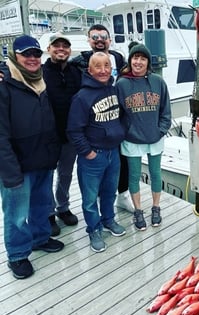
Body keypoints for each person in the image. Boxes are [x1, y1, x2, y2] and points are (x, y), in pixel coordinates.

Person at [0, 35, 64, 279]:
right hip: (17, 164)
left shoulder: (42, 80)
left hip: (43, 159)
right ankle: (17, 255)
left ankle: (39, 238)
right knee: (16, 214)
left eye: (36, 54)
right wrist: (9, 170)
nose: (32, 58)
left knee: (41, 205)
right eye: (26, 53)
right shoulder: (4, 83)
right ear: (15, 56)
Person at [67, 52, 126, 253]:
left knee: (110, 192)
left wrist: (121, 135)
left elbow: (122, 117)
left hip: (113, 153)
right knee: (90, 198)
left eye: (106, 66)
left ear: (112, 68)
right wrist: (88, 152)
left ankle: (109, 219)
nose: (103, 70)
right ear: (89, 70)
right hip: (93, 156)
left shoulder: (114, 90)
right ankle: (94, 228)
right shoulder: (81, 97)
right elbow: (74, 130)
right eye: (98, 66)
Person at [71, 24, 134, 213]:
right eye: (95, 37)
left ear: (109, 39)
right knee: (92, 179)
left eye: (103, 36)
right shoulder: (80, 62)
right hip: (93, 121)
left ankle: (122, 196)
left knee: (121, 164)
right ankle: (85, 212)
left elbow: (133, 72)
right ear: (89, 40)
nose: (99, 40)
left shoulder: (118, 58)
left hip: (116, 121)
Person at [116, 43, 171, 230]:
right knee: (134, 175)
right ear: (130, 60)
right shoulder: (122, 83)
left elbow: (166, 110)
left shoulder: (158, 82)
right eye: (135, 58)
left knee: (156, 173)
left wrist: (161, 130)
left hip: (155, 137)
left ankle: (156, 207)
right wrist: (126, 131)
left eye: (142, 58)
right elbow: (118, 114)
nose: (138, 62)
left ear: (148, 62)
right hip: (132, 139)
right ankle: (138, 210)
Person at [42, 32, 82, 236]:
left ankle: (62, 207)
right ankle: (47, 213)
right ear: (48, 49)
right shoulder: (40, 72)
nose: (61, 49)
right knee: (47, 176)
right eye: (56, 45)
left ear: (69, 50)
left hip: (70, 136)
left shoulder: (76, 71)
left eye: (65, 46)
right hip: (48, 137)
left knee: (65, 174)